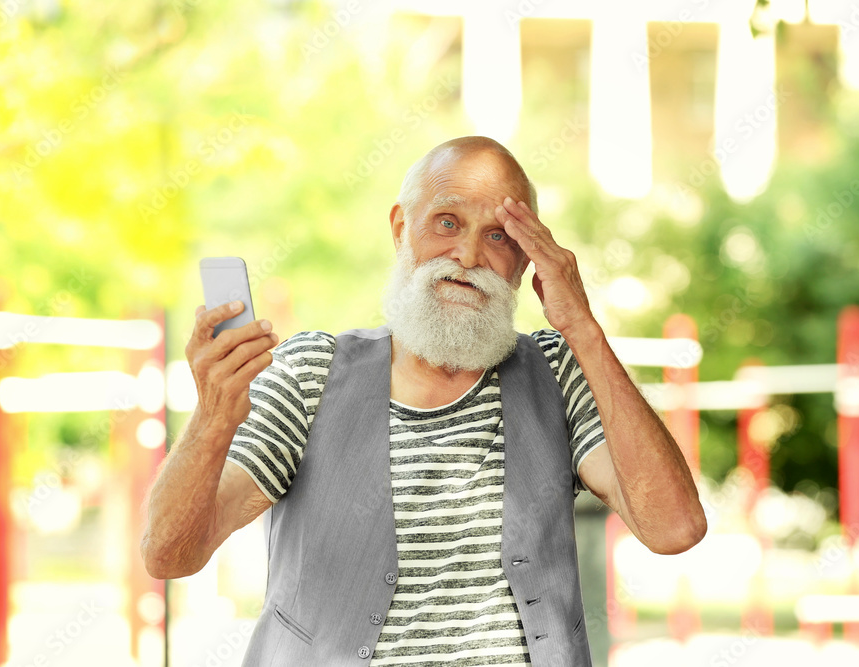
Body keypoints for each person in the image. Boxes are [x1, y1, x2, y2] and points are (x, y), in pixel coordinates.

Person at [141, 136, 706, 666]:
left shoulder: (559, 371)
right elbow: (170, 555)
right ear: (400, 227)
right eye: (446, 222)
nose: (466, 255)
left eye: (498, 236)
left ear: (528, 261)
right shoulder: (310, 372)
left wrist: (584, 330)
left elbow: (674, 529)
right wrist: (214, 419)